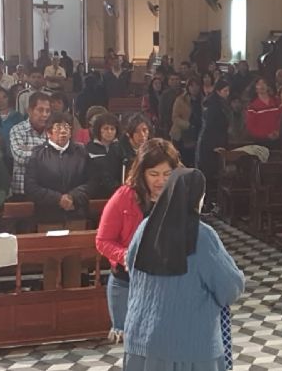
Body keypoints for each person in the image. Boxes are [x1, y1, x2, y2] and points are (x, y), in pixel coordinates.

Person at [123, 168, 245, 370]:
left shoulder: (145, 228)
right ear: (198, 198)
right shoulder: (202, 236)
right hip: (189, 345)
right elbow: (229, 288)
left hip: (140, 339)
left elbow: (131, 268)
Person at [96, 138, 180, 342]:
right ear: (142, 173)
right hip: (127, 284)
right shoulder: (124, 196)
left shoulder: (178, 196)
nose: (161, 181)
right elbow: (102, 241)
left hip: (165, 285)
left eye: (167, 174)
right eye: (154, 174)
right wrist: (126, 256)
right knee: (133, 348)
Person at [25, 111, 89, 289]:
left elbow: (91, 182)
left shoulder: (81, 152)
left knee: (74, 262)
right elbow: (30, 188)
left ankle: (72, 308)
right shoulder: (38, 155)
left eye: (67, 127)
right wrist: (57, 199)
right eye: (59, 127)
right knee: (51, 262)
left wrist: (72, 197)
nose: (63, 131)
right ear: (49, 132)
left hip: (75, 215)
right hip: (49, 217)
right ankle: (49, 305)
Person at [9, 92, 51, 198]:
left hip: (46, 191)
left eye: (48, 111)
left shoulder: (52, 132)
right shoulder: (17, 130)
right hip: (22, 191)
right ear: (29, 111)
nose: (45, 114)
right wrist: (47, 154)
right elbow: (20, 157)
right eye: (40, 110)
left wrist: (31, 150)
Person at [196, 80, 231, 183]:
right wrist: (215, 144)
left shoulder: (219, 103)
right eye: (225, 91)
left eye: (228, 91)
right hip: (212, 143)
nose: (227, 93)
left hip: (216, 141)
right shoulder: (214, 106)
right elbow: (211, 127)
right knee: (210, 174)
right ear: (218, 91)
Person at [86, 112, 122, 199]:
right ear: (99, 129)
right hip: (95, 194)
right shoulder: (89, 148)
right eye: (105, 128)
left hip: (118, 193)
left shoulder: (122, 148)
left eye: (112, 129)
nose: (109, 132)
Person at [246, 78, 282, 148]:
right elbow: (251, 126)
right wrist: (266, 134)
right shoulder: (252, 106)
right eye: (259, 84)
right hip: (261, 141)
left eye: (264, 83)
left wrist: (278, 131)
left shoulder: (277, 101)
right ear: (255, 88)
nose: (261, 86)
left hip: (279, 138)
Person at [158, 73, 182, 139]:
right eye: (172, 80)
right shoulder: (165, 94)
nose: (175, 81)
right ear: (169, 82)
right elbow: (161, 109)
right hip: (168, 123)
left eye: (177, 79)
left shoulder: (184, 93)